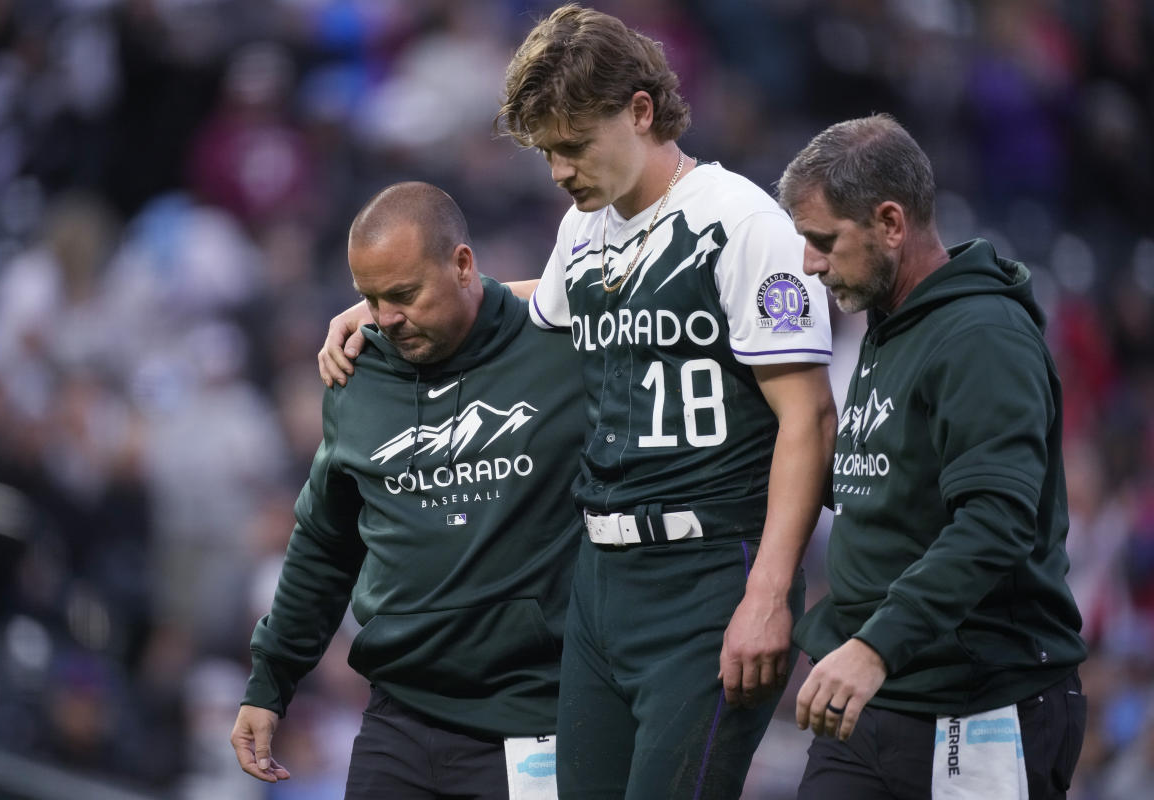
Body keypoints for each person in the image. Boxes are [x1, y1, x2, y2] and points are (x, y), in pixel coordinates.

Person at [321, 6, 836, 797]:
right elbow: (539, 306)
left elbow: (809, 417)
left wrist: (770, 592)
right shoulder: (586, 228)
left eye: (572, 145)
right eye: (546, 151)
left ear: (640, 109)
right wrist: (398, 305)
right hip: (601, 578)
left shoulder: (745, 225)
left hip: (705, 570)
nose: (558, 170)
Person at [232, 181, 585, 800]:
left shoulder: (560, 346)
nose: (386, 317)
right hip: (399, 722)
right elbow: (323, 545)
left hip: (537, 720)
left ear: (464, 264)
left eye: (403, 294)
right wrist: (270, 682)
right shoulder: (356, 373)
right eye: (369, 298)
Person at [777, 114, 1088, 799]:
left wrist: (877, 644)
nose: (808, 263)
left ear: (891, 223)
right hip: (873, 698)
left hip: (979, 703)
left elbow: (996, 522)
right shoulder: (891, 325)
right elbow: (886, 485)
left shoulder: (981, 334)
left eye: (823, 240)